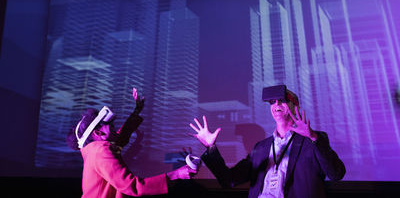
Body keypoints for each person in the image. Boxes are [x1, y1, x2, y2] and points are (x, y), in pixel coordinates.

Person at [189, 84, 346, 198]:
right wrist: (211, 148)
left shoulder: (313, 141)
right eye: (272, 102)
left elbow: (336, 174)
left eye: (281, 100)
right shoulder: (261, 148)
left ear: (294, 106)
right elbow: (229, 180)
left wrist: (313, 137)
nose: (276, 104)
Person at [67, 88, 198, 198]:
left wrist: (137, 110)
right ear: (97, 133)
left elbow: (120, 137)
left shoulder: (94, 150)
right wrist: (176, 174)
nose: (113, 126)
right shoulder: (100, 151)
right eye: (108, 124)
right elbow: (132, 186)